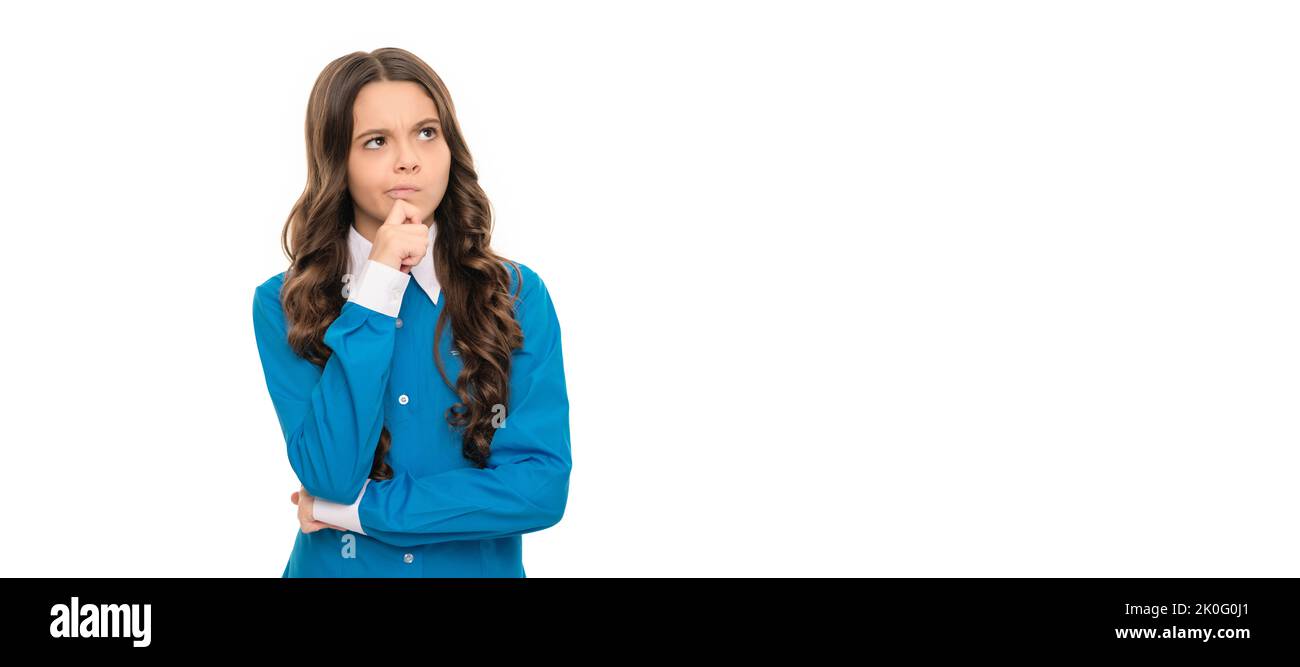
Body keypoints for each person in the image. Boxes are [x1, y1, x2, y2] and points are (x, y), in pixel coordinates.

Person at [252, 47, 571, 577]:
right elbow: (331, 472)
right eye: (376, 141)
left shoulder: (516, 294)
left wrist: (357, 512)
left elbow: (539, 488)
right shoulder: (285, 302)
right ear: (338, 161)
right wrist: (377, 288)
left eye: (427, 133)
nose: (409, 159)